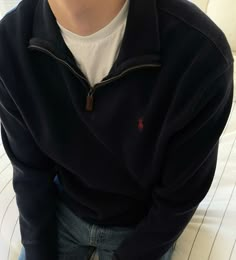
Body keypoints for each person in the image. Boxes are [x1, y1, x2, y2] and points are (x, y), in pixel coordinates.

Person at [0, 0, 234, 259]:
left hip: (142, 224)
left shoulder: (201, 56)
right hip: (64, 208)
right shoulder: (10, 44)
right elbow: (30, 174)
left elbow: (178, 199)